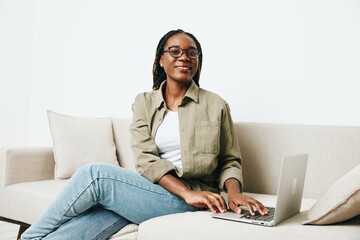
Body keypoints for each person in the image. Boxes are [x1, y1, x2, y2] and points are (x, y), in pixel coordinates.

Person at [21, 29, 268, 240]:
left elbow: (229, 160)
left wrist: (233, 194)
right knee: (103, 215)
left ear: (198, 61)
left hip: (197, 198)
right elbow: (146, 160)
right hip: (163, 192)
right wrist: (185, 192)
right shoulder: (144, 103)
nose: (184, 57)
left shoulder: (216, 104)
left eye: (192, 52)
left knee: (94, 175)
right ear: (161, 59)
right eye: (175, 51)